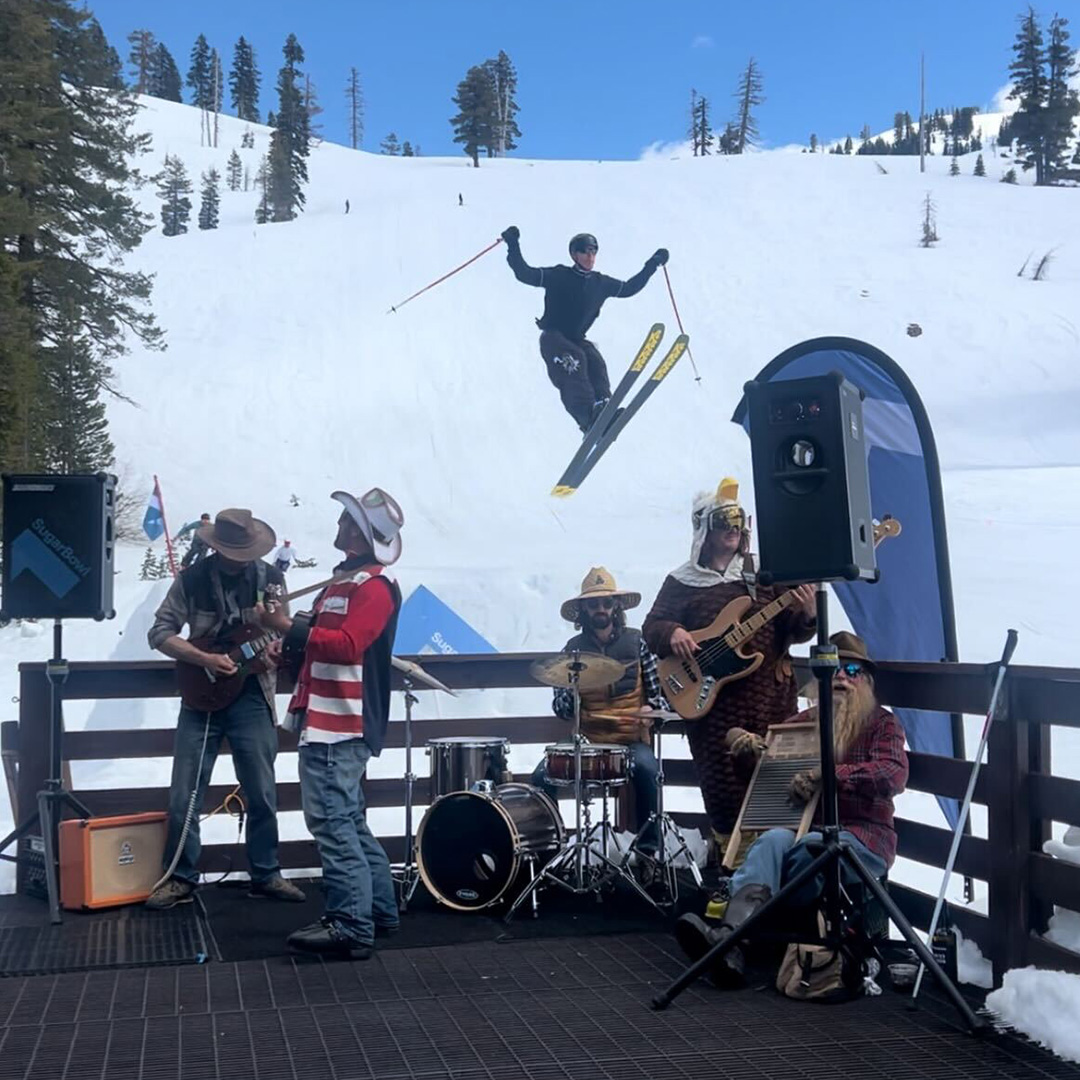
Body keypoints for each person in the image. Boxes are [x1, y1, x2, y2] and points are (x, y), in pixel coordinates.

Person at [672, 632, 909, 985]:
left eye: (852, 669)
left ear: (866, 680)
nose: (841, 677)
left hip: (863, 837)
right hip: (806, 834)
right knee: (769, 843)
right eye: (832, 671)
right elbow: (762, 771)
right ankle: (728, 942)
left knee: (812, 851)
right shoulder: (803, 723)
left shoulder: (882, 724)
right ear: (819, 679)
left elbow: (893, 774)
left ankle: (742, 939)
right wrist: (742, 745)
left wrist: (828, 776)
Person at [256, 487, 405, 960]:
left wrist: (284, 628)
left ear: (361, 535)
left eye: (347, 521)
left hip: (340, 721)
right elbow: (324, 643)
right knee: (347, 821)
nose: (339, 525)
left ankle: (350, 924)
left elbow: (346, 646)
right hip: (328, 717)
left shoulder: (374, 586)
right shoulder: (347, 583)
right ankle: (378, 911)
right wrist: (291, 646)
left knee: (332, 823)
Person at [642, 478, 817, 866]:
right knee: (724, 790)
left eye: (738, 525)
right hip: (712, 706)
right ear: (705, 530)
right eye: (725, 524)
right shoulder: (681, 582)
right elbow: (652, 627)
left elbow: (793, 630)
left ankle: (780, 877)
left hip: (771, 700)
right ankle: (731, 876)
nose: (734, 532)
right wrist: (674, 633)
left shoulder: (765, 575)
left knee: (779, 787)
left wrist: (806, 615)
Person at [145, 509, 305, 909]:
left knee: (262, 790)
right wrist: (203, 659)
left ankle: (266, 872)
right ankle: (181, 876)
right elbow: (160, 632)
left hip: (252, 691)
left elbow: (279, 631)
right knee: (185, 792)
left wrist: (274, 651)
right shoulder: (193, 579)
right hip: (201, 695)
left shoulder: (271, 580)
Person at [530, 567, 668, 862]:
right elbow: (561, 710)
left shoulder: (637, 641)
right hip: (587, 740)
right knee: (541, 777)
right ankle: (552, 850)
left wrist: (651, 710)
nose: (601, 609)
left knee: (649, 771)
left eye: (607, 603)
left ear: (617, 606)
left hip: (630, 740)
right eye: (594, 604)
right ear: (583, 610)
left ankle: (647, 852)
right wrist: (568, 692)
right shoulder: (573, 650)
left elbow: (661, 698)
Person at [500, 225, 669, 434]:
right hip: (553, 338)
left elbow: (629, 288)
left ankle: (604, 408)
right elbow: (524, 273)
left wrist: (652, 264)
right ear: (574, 254)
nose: (590, 257)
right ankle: (586, 415)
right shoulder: (559, 275)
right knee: (575, 359)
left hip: (577, 339)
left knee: (594, 360)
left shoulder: (600, 283)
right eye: (584, 251)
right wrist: (513, 244)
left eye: (593, 252)